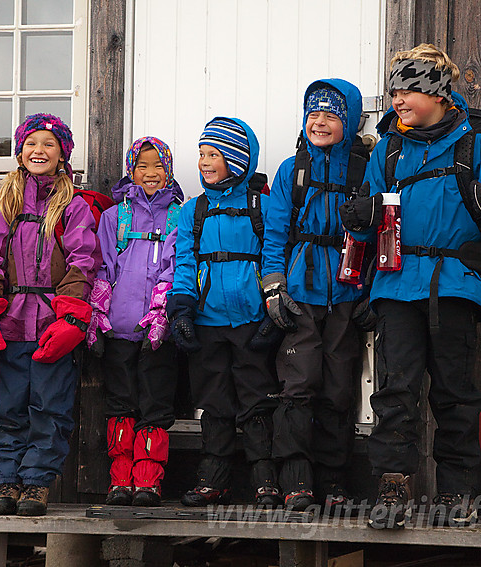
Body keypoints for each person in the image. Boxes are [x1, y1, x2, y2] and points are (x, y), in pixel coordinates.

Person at [338, 43, 481, 529]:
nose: (397, 100)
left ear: (438, 93)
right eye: (395, 91)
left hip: (454, 288)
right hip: (396, 286)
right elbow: (365, 216)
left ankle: (457, 493)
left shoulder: (474, 146)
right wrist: (357, 218)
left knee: (453, 393)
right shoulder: (389, 149)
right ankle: (393, 487)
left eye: (407, 91)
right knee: (396, 391)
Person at [0, 113, 98, 516]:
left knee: (49, 406)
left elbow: (83, 262)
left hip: (51, 324)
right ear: (20, 152)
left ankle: (37, 483)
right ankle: (7, 481)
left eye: (48, 144)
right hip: (12, 323)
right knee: (9, 408)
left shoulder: (72, 206)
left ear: (62, 154)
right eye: (31, 144)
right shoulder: (4, 204)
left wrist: (72, 316)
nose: (38, 151)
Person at [260, 79, 367, 511]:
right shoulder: (292, 169)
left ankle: (333, 479)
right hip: (300, 293)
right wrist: (273, 287)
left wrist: (370, 293)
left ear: (351, 120)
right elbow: (275, 232)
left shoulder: (365, 168)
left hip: (346, 291)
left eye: (331, 114)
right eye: (313, 114)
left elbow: (381, 231)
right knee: (298, 384)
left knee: (339, 387)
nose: (319, 122)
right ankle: (296, 480)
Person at [168, 117, 281, 507]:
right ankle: (212, 478)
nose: (204, 161)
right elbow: (184, 263)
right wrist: (181, 310)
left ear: (236, 159)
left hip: (251, 319)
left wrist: (272, 312)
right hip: (207, 320)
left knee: (256, 399)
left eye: (213, 154)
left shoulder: (262, 207)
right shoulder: (192, 212)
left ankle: (265, 478)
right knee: (213, 400)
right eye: (201, 154)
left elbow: (274, 257)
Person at [87, 136, 182, 507]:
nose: (150, 173)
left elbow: (177, 266)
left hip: (158, 330)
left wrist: (163, 314)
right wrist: (97, 316)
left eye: (158, 166)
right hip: (119, 328)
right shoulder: (115, 216)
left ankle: (148, 479)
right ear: (131, 169)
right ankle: (119, 479)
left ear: (169, 170)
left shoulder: (180, 214)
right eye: (142, 166)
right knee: (120, 402)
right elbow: (103, 266)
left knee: (155, 402)